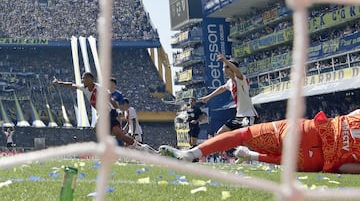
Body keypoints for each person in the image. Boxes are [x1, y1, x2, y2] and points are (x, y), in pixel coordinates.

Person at [159, 109, 360, 174]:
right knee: (291, 161)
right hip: (313, 159)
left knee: (242, 135)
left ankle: (191, 154)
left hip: (303, 131)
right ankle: (251, 155)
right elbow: (346, 169)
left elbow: (342, 118)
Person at [52, 72, 156, 153]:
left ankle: (106, 147)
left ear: (91, 79)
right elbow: (71, 85)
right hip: (105, 114)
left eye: (84, 78)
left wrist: (118, 110)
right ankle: (140, 146)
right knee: (119, 134)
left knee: (96, 128)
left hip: (109, 112)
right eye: (82, 78)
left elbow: (111, 100)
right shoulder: (84, 88)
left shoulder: (100, 88)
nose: (82, 80)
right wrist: (58, 83)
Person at [199, 53, 258, 135]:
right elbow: (222, 88)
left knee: (246, 139)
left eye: (224, 68)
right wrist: (209, 97)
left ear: (231, 69)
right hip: (239, 117)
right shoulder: (230, 82)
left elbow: (237, 72)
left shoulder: (241, 79)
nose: (223, 70)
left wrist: (225, 60)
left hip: (248, 115)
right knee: (220, 133)